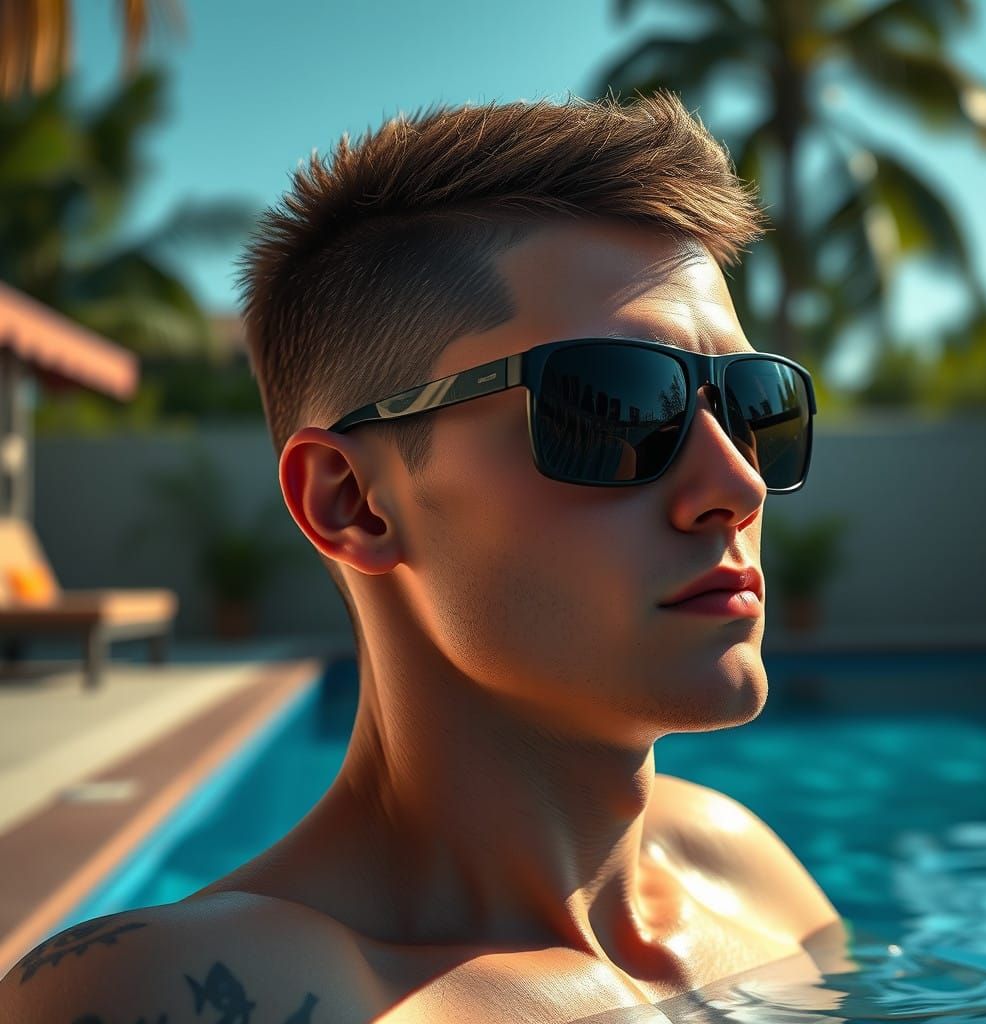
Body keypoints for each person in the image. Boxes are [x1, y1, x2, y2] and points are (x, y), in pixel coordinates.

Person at [0, 89, 855, 1023]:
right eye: (615, 408)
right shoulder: (202, 991)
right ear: (353, 502)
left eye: (752, 403)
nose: (738, 483)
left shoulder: (746, 870)